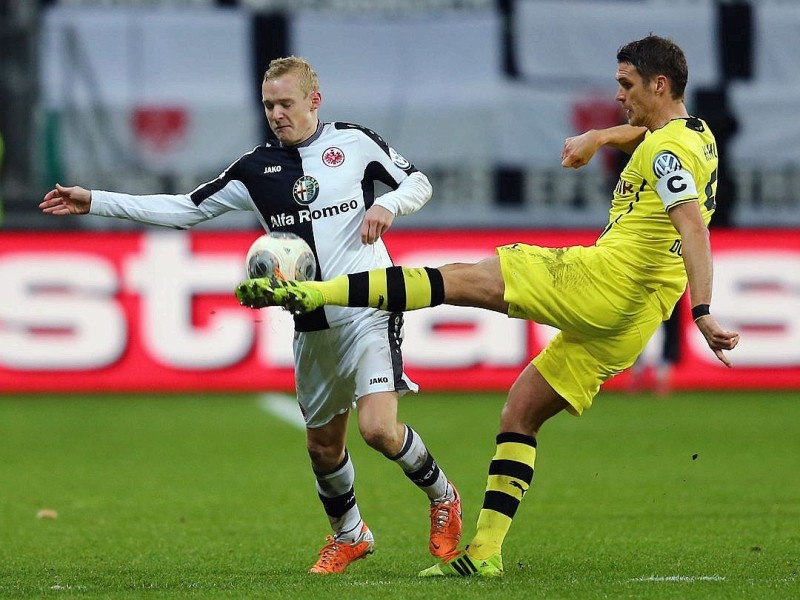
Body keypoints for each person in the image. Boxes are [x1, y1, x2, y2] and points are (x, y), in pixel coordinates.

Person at [235, 36, 741, 577]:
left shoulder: (666, 154)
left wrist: (703, 311)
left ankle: (314, 291)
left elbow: (692, 228)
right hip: (636, 314)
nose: (618, 96)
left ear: (657, 84)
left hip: (604, 280)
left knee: (457, 280)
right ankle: (485, 554)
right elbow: (646, 132)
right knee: (520, 412)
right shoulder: (696, 133)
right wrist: (598, 138)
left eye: (626, 85)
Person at [39, 56, 462, 575]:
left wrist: (390, 205)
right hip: (310, 322)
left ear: (314, 100)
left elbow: (418, 182)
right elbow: (185, 208)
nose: (276, 114)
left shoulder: (354, 143)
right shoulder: (255, 169)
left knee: (377, 430)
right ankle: (350, 535)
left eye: (285, 103)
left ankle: (444, 498)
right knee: (323, 446)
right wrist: (96, 201)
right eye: (268, 105)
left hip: (367, 305)